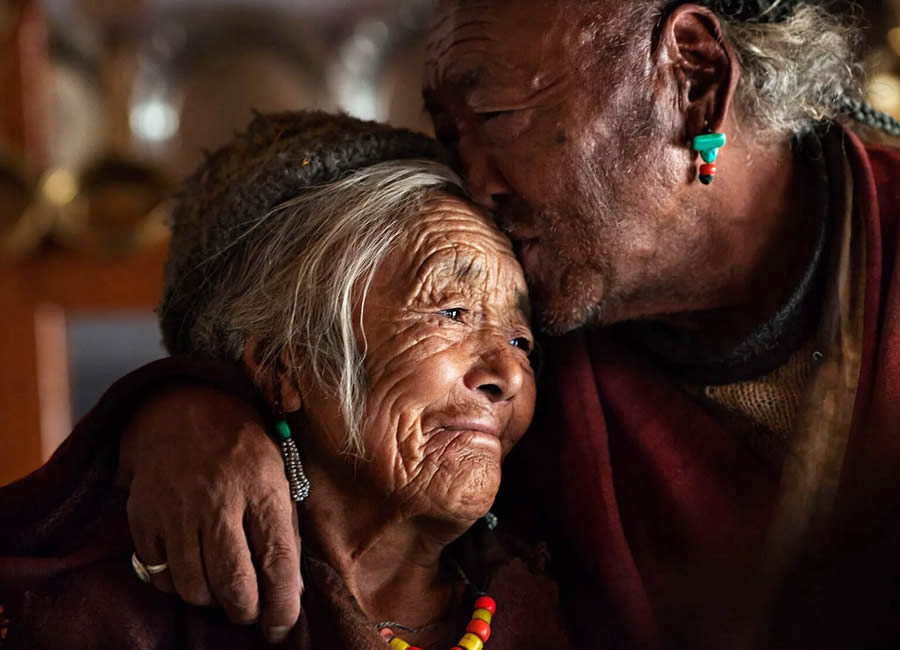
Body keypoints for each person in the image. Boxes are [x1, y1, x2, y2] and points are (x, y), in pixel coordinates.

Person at [10, 0, 900, 647]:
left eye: (500, 118)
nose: (473, 183)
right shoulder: (552, 286)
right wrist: (185, 410)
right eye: (449, 134)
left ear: (695, 80)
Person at [0, 112, 570, 649]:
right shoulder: (103, 619)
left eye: (522, 341)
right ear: (282, 365)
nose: (506, 376)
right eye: (452, 313)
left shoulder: (558, 590)